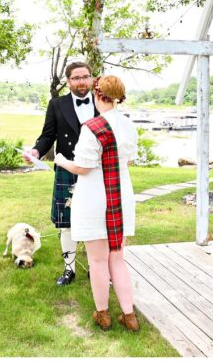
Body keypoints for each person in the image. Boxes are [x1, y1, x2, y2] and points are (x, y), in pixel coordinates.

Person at [54, 75, 139, 332]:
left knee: (98, 262)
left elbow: (82, 167)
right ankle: (129, 316)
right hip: (120, 199)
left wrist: (60, 160)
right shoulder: (128, 125)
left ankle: (103, 315)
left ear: (98, 94)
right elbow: (128, 162)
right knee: (118, 259)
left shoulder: (92, 127)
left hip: (94, 199)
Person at [25, 61, 99, 287]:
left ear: (92, 78)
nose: (81, 81)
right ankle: (70, 270)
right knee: (66, 223)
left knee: (95, 221)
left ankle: (96, 268)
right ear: (68, 81)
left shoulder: (102, 102)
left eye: (85, 76)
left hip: (96, 170)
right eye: (76, 77)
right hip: (67, 167)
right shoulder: (57, 104)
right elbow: (48, 135)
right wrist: (37, 150)